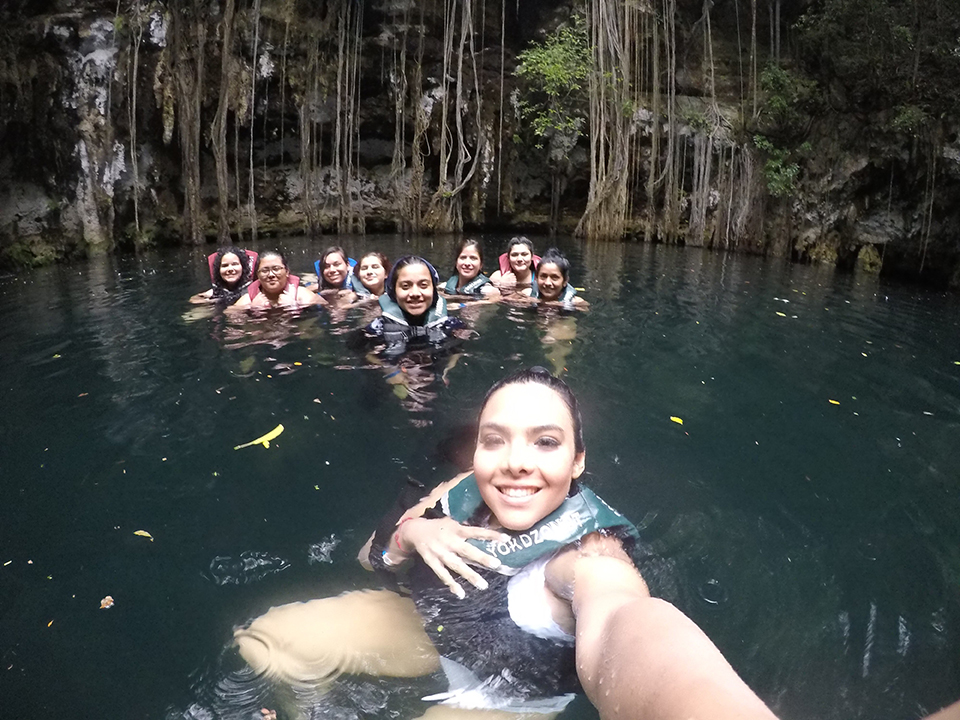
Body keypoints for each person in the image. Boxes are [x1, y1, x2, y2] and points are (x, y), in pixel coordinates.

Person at [233, 368, 781, 720]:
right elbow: (368, 559)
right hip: (438, 636)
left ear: (578, 460)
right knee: (265, 640)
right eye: (496, 440)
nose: (516, 461)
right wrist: (412, 533)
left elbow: (627, 624)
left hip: (508, 696)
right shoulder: (457, 492)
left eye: (545, 442)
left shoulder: (589, 555)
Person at [362, 256, 466, 359]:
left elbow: (457, 351)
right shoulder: (375, 331)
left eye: (423, 285)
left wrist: (445, 372)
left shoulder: (453, 327)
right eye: (405, 286)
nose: (415, 293)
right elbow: (366, 355)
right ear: (393, 292)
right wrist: (393, 373)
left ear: (434, 291)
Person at [231, 250, 322, 309]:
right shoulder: (249, 300)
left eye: (276, 269)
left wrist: (296, 305)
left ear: (287, 272)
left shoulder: (302, 296)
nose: (271, 275)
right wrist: (252, 308)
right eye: (264, 270)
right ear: (258, 275)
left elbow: (328, 307)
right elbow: (230, 315)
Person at [189, 246, 255, 305]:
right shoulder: (217, 291)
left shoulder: (253, 289)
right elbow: (193, 300)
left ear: (243, 267)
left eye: (235, 264)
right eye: (225, 265)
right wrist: (213, 300)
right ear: (219, 270)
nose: (230, 269)